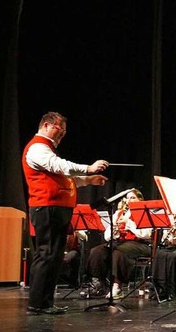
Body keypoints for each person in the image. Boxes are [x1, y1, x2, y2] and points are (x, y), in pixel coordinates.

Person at [22, 111, 108, 315]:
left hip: (56, 209)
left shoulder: (47, 149)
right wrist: (88, 169)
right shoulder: (38, 148)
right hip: (47, 208)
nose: (62, 134)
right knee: (46, 254)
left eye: (64, 132)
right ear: (46, 126)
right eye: (60, 130)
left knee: (53, 256)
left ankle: (45, 302)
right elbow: (59, 166)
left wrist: (88, 180)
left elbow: (64, 179)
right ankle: (37, 304)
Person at [86, 188, 153, 299]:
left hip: (141, 244)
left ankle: (117, 286)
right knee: (96, 251)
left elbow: (146, 235)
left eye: (133, 197)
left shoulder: (145, 213)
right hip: (120, 243)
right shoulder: (119, 213)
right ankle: (98, 284)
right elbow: (107, 237)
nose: (129, 200)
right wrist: (114, 232)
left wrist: (129, 223)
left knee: (119, 252)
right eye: (127, 198)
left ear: (140, 199)